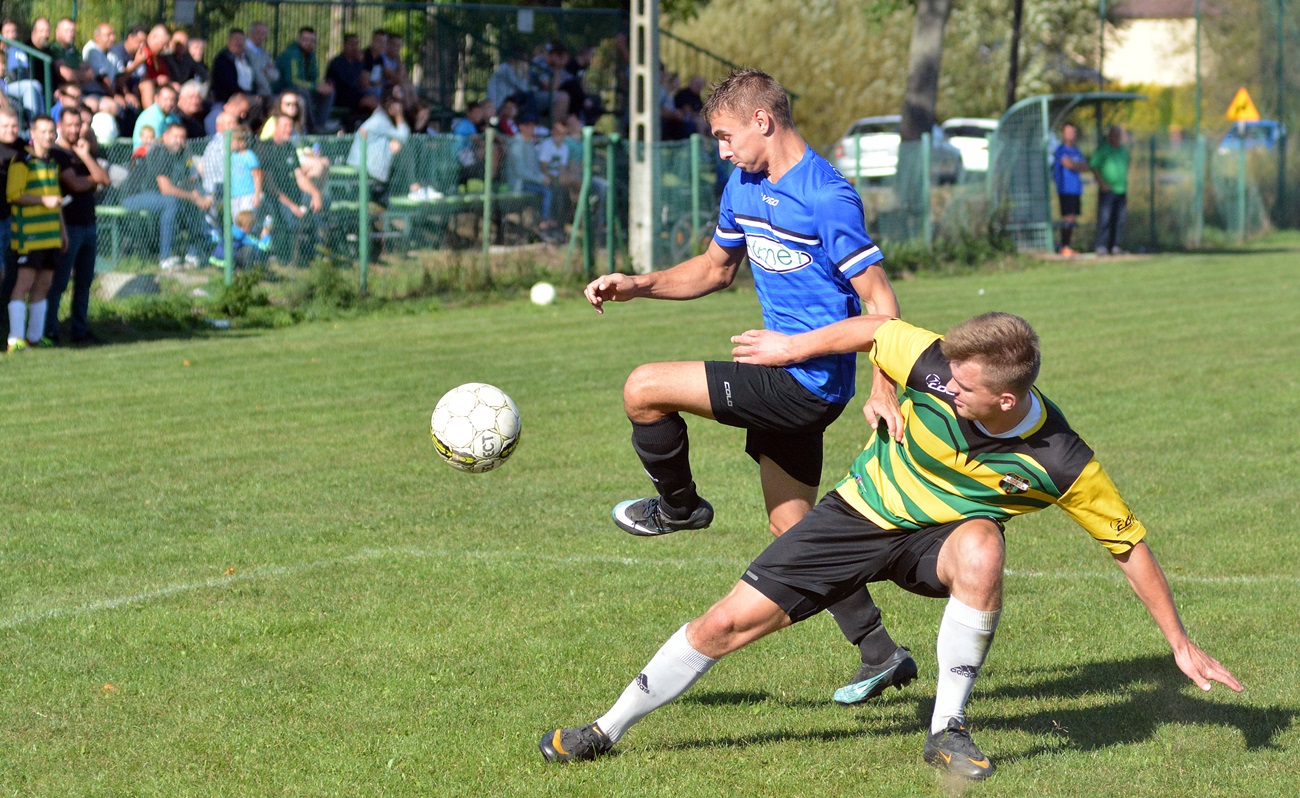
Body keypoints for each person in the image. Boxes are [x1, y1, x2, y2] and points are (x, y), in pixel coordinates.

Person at [540, 311, 1244, 780]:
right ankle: (606, 728)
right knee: (724, 624)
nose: (946, 386)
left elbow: (1128, 545)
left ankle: (948, 728)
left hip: (932, 545)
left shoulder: (1060, 460)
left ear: (1005, 400)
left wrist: (1177, 641)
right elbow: (879, 328)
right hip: (857, 514)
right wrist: (795, 349)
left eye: (963, 386)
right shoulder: (939, 362)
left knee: (983, 546)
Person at [582, 69, 909, 693]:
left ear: (763, 121)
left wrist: (883, 387)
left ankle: (679, 510)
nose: (723, 150)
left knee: (643, 387)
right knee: (794, 529)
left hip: (805, 383)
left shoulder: (827, 197)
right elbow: (712, 269)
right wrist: (637, 285)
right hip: (776, 373)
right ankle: (880, 652)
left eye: (727, 136)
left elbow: (883, 307)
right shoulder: (744, 184)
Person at [46, 106, 109, 344]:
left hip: (89, 224)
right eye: (70, 125)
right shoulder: (56, 153)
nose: (74, 129)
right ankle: (50, 330)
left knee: (84, 282)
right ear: (60, 125)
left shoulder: (82, 152)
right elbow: (75, 185)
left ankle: (80, 331)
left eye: (78, 125)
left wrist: (85, 157)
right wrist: (91, 180)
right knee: (60, 282)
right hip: (68, 226)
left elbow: (105, 179)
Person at [5, 115, 64, 352]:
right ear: (33, 133)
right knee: (24, 283)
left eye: (52, 131)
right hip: (28, 236)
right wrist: (42, 200)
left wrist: (63, 231)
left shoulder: (52, 162)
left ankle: (34, 338)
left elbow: (56, 201)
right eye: (44, 131)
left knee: (44, 285)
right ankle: (14, 339)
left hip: (50, 235)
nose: (49, 135)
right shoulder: (22, 161)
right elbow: (14, 194)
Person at [121, 122, 211, 269]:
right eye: (175, 136)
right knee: (171, 202)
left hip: (156, 196)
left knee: (188, 202)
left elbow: (187, 181)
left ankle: (193, 255)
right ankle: (165, 258)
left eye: (182, 137)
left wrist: (199, 197)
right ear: (165, 137)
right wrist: (194, 197)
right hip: (132, 196)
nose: (179, 140)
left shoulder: (182, 154)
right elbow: (166, 189)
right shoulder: (160, 152)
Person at [255, 113, 325, 266]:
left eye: (291, 127)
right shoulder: (264, 148)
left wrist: (315, 193)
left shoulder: (289, 148)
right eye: (285, 126)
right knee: (289, 218)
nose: (289, 130)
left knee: (321, 205)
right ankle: (285, 260)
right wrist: (292, 206)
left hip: (292, 195)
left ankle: (314, 254)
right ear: (276, 128)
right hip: (273, 197)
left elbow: (299, 176)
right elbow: (269, 186)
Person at [347, 84, 411, 204]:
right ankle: (412, 185)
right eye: (395, 102)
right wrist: (399, 116)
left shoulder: (381, 119)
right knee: (402, 147)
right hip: (366, 172)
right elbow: (404, 136)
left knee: (398, 145)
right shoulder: (380, 120)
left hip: (369, 171)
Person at [274, 27, 334, 133]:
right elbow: (293, 81)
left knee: (329, 91)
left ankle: (321, 124)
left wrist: (322, 86)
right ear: (299, 39)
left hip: (303, 88)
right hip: (283, 90)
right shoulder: (292, 54)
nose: (308, 43)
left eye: (312, 41)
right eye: (305, 40)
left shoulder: (311, 55)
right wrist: (316, 87)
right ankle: (311, 128)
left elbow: (313, 77)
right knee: (304, 93)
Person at [1091, 124, 1130, 256]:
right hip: (1108, 190)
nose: (1118, 138)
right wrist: (1102, 184)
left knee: (1119, 220)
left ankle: (1115, 246)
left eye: (1119, 136)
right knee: (1105, 219)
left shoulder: (1123, 150)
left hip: (1121, 189)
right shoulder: (1103, 150)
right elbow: (1094, 166)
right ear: (1110, 136)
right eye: (1115, 135)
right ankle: (1101, 246)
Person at [1051, 122, 1087, 257]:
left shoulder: (1076, 151)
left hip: (1076, 189)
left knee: (1073, 218)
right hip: (1065, 189)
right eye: (1069, 131)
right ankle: (1063, 246)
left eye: (1073, 131)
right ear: (1063, 134)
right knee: (1068, 217)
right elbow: (1068, 164)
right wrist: (1075, 165)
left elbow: (1084, 166)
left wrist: (1075, 165)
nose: (1072, 134)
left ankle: (1067, 246)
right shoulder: (1061, 150)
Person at [326, 32, 373, 131]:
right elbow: (349, 82)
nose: (354, 47)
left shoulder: (357, 62)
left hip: (356, 94)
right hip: (341, 96)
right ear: (344, 45)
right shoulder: (337, 62)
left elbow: (365, 82)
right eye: (351, 44)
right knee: (371, 102)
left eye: (356, 44)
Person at [132, 82, 178, 149]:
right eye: (166, 99)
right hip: (146, 157)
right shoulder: (150, 117)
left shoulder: (173, 117)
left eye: (172, 100)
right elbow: (156, 142)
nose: (169, 103)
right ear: (156, 98)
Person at [244, 22, 278, 99]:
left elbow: (276, 76)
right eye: (258, 32)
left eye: (264, 34)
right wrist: (265, 71)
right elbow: (254, 75)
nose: (261, 36)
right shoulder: (244, 51)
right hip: (253, 94)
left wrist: (265, 71)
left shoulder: (265, 53)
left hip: (266, 92)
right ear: (250, 33)